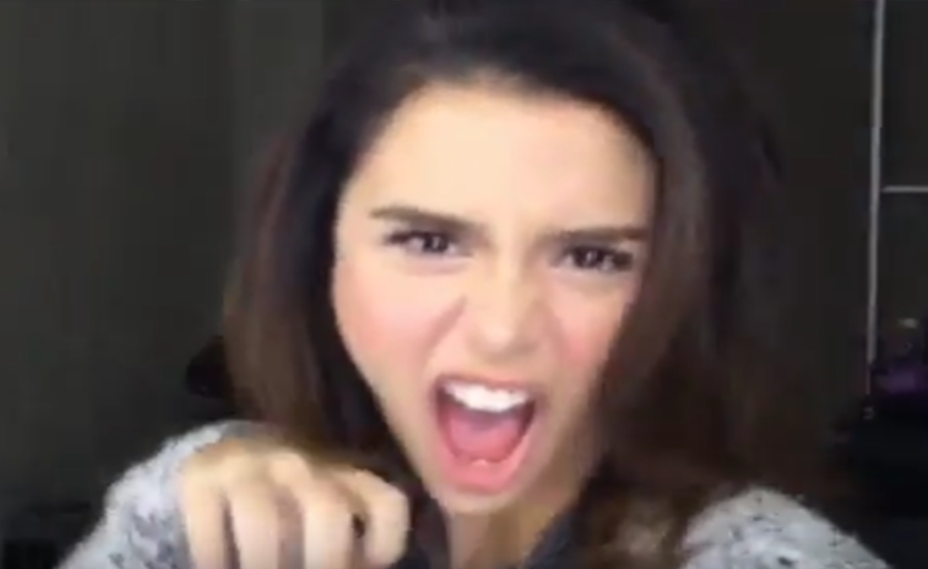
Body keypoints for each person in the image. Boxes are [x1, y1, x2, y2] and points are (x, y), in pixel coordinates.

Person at [60, 0, 889, 568]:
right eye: (429, 241)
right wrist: (173, 520)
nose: (501, 328)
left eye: (590, 257)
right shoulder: (203, 512)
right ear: (319, 255)